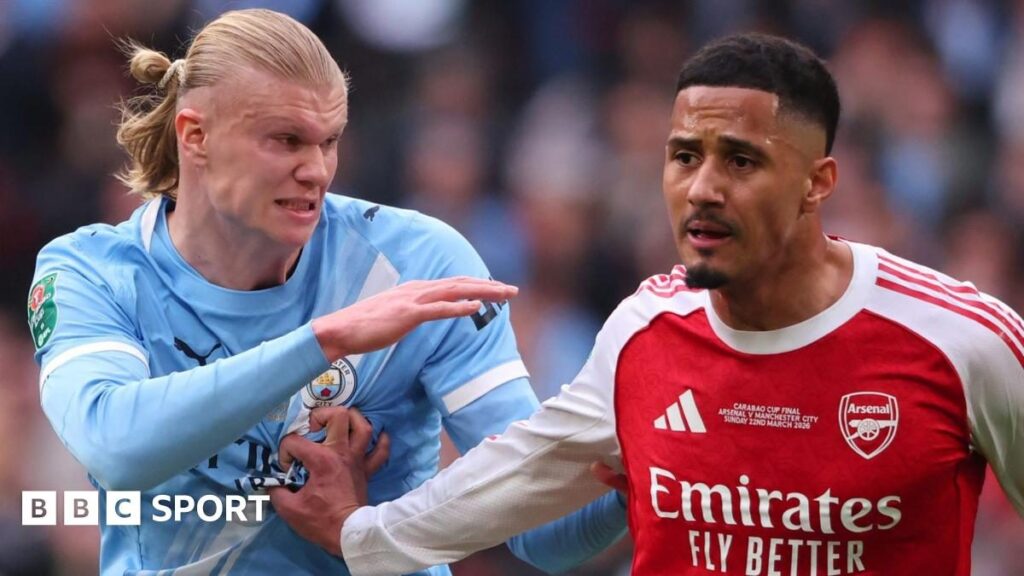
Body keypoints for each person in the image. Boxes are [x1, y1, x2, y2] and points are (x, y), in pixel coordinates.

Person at [269, 33, 1024, 575]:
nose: (703, 189)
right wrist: (362, 533)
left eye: (741, 161)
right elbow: (520, 476)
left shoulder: (962, 341)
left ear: (817, 183)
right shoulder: (644, 332)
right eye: (685, 156)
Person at [27, 8, 627, 575]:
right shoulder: (91, 271)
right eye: (286, 140)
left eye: (329, 141)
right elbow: (116, 449)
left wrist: (639, 471)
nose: (316, 169)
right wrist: (323, 341)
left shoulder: (418, 265)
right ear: (196, 135)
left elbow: (544, 533)